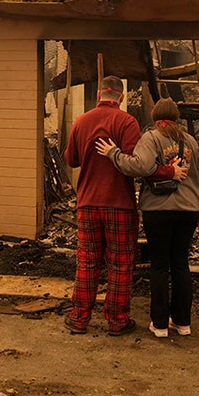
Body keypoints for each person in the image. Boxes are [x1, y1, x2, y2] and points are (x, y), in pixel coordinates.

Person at [96, 97, 199, 339]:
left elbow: (140, 166)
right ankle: (183, 323)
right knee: (180, 264)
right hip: (189, 211)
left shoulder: (152, 138)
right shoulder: (191, 141)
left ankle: (160, 325)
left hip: (158, 210)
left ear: (155, 117)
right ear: (176, 117)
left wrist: (113, 153)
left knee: (159, 266)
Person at [61, 75, 146, 336]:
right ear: (121, 97)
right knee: (120, 264)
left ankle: (79, 318)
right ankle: (118, 321)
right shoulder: (127, 122)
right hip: (119, 203)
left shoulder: (81, 121)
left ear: (99, 95)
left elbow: (71, 160)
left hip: (87, 203)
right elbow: (135, 162)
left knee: (87, 262)